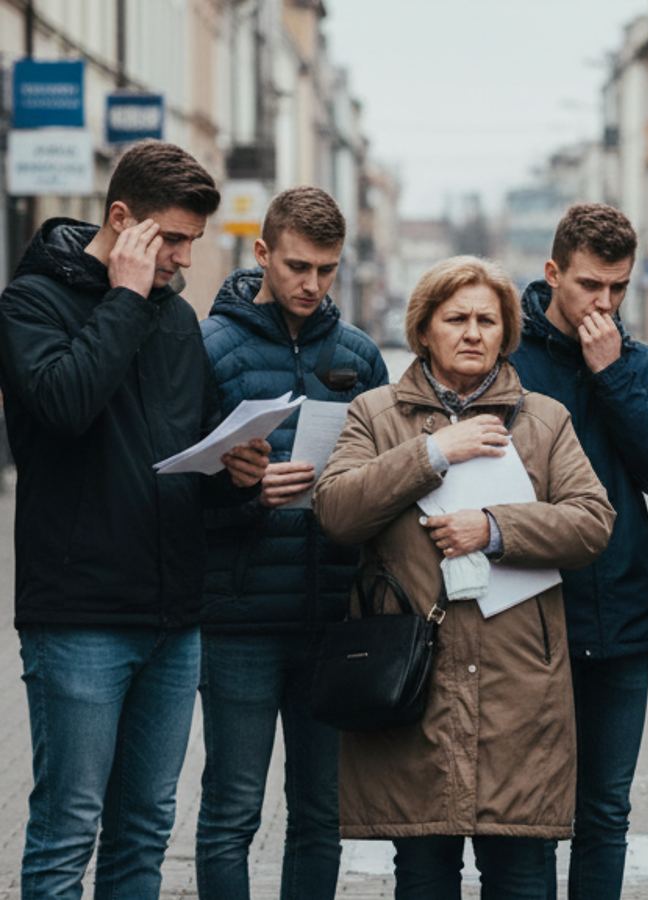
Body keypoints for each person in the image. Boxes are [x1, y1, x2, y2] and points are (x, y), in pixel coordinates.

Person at [0, 139, 268, 899]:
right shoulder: (29, 303)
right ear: (123, 220)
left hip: (174, 618)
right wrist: (122, 296)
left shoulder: (176, 321)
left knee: (145, 829)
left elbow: (192, 455)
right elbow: (63, 404)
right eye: (172, 239)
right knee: (67, 831)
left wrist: (238, 477)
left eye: (191, 242)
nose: (184, 260)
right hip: (79, 616)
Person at [313, 256, 615, 898]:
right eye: (456, 319)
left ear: (506, 332)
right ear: (424, 329)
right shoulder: (375, 414)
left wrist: (496, 528)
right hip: (414, 687)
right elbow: (336, 511)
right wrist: (431, 455)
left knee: (523, 881)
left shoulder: (544, 420)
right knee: (423, 877)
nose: (473, 332)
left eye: (487, 320)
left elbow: (593, 523)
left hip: (519, 692)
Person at [195, 186, 390, 899]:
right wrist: (243, 491)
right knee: (231, 813)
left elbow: (387, 481)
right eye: (298, 267)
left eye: (327, 270)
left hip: (332, 618)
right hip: (238, 619)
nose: (312, 285)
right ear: (263, 254)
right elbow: (177, 491)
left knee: (319, 815)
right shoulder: (209, 347)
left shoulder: (361, 356)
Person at [507, 203, 648, 900]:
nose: (604, 304)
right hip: (526, 617)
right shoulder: (508, 359)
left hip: (620, 614)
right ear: (553, 273)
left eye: (618, 288)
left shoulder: (638, 364)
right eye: (589, 285)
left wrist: (610, 375)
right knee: (529, 813)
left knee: (605, 812)